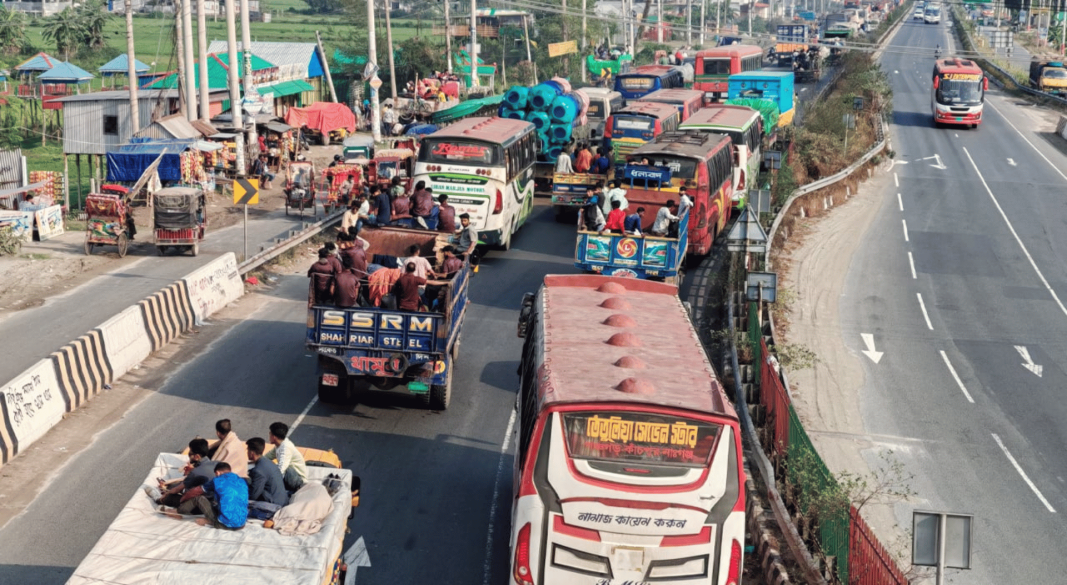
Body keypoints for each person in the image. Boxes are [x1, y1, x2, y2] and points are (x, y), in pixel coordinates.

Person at [150, 438, 219, 508]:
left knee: (170, 497)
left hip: (205, 504)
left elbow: (177, 489)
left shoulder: (196, 472)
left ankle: (157, 499)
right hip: (217, 500)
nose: (189, 455)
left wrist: (166, 494)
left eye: (190, 453)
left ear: (197, 456)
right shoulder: (217, 464)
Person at [193, 462, 248, 529]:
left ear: (217, 472)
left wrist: (183, 499)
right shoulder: (242, 481)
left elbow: (196, 491)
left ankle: (179, 512)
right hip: (241, 524)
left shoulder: (217, 480)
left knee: (199, 499)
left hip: (224, 524)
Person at [265, 422, 307, 492]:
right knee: (270, 466)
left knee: (279, 470)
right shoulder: (279, 445)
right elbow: (267, 457)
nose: (269, 436)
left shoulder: (286, 448)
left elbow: (281, 469)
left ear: (274, 437)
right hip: (290, 476)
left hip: (297, 479)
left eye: (270, 434)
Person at [246, 437, 288, 506]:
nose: (247, 452)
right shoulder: (269, 462)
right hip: (282, 500)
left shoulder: (258, 471)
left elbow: (253, 496)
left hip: (274, 505)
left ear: (252, 453)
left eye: (248, 450)